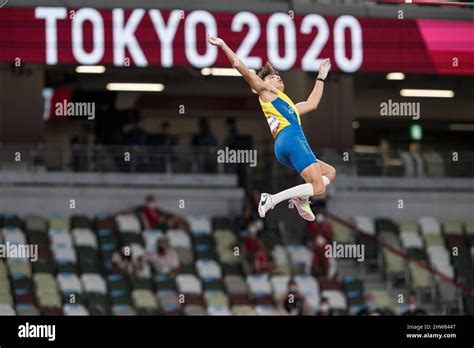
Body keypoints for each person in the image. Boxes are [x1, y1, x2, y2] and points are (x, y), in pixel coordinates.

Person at [208, 36, 336, 222]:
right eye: (271, 76)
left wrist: (321, 75)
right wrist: (223, 44)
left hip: (283, 147)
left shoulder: (287, 105)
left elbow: (312, 103)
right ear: (263, 85)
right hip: (292, 138)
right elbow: (242, 69)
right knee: (318, 188)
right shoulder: (266, 92)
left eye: (277, 74)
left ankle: (301, 197)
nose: (277, 76)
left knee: (330, 173)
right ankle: (273, 198)